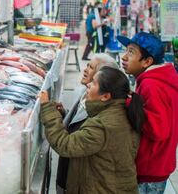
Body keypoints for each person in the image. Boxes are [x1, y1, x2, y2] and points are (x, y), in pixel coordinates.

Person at [40, 66, 145, 194]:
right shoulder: (119, 111)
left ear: (105, 96)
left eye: (94, 83)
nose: (88, 84)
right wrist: (62, 115)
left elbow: (65, 145)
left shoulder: (103, 125)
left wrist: (46, 108)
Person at [117, 32, 178, 194]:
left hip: (150, 168)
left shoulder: (152, 85)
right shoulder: (159, 80)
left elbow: (158, 130)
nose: (124, 57)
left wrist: (129, 103)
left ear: (147, 61)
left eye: (131, 52)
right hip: (159, 163)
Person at [56, 53, 119, 193]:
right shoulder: (84, 92)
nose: (85, 69)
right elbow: (77, 124)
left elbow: (67, 144)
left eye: (91, 68)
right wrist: (65, 114)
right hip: (68, 171)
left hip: (79, 180)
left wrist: (48, 113)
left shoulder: (100, 113)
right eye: (87, 65)